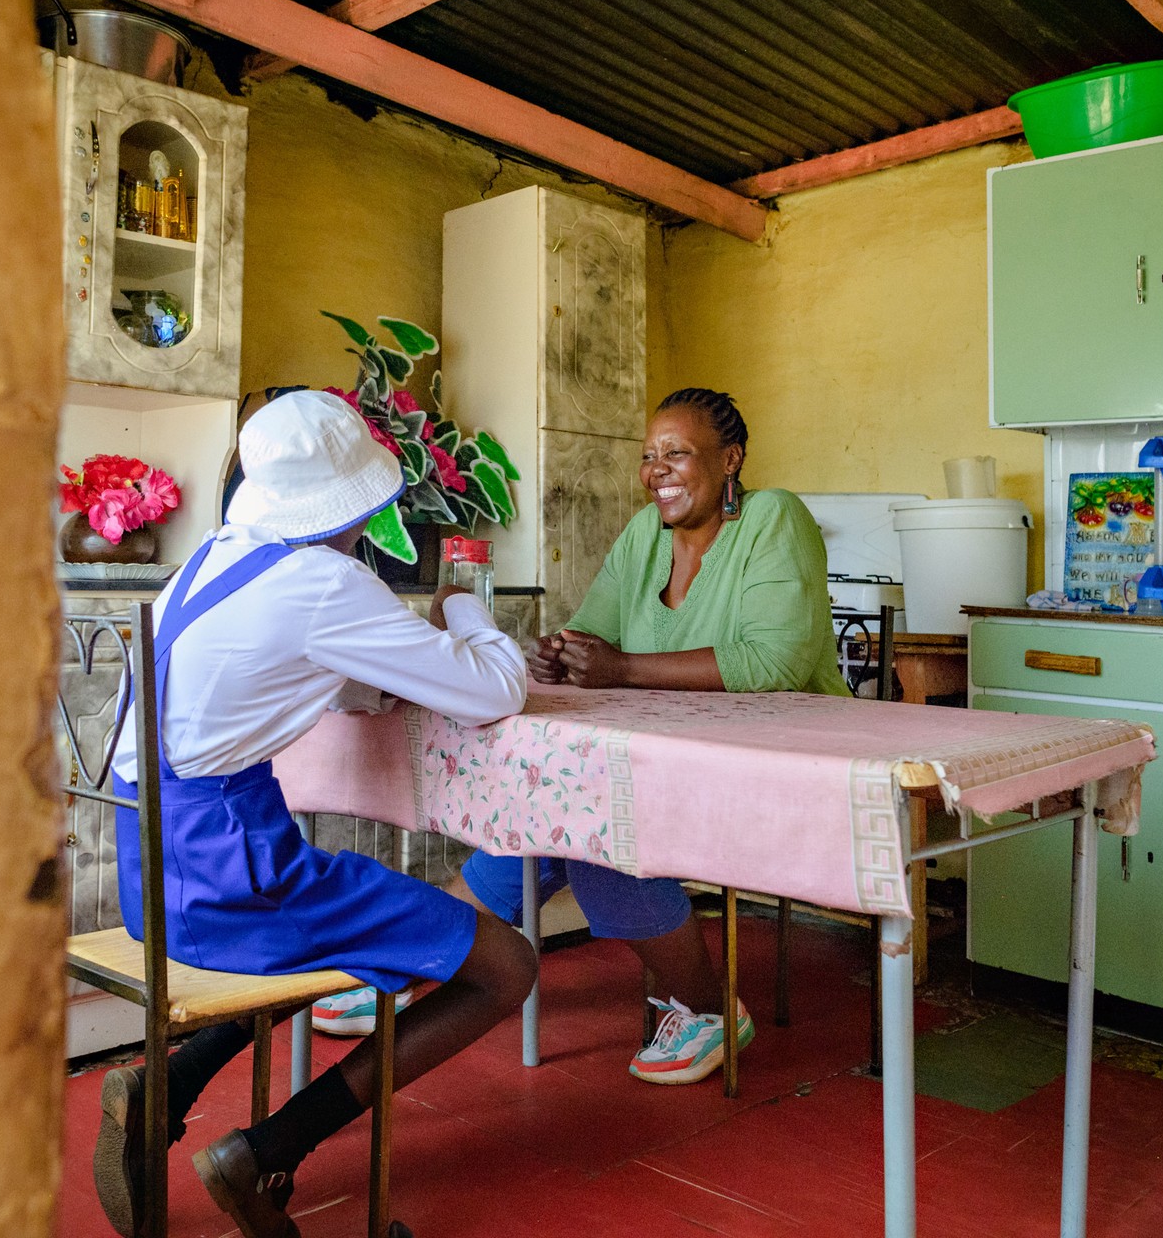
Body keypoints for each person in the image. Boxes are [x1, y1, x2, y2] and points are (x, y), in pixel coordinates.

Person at [97, 391, 537, 1238]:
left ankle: (173, 1085)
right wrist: (461, 604)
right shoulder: (320, 583)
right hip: (235, 880)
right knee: (505, 965)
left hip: (154, 868)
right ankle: (266, 1151)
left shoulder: (210, 561)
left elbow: (327, 679)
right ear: (353, 506)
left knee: (357, 934)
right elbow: (495, 690)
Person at [318, 388, 845, 1086]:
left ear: (731, 461)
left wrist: (620, 667)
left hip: (787, 756)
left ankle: (706, 1005)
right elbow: (596, 633)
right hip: (672, 750)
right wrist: (564, 652)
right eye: (648, 456)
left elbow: (773, 663)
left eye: (677, 454)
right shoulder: (642, 536)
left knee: (589, 812)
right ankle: (409, 962)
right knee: (548, 805)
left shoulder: (775, 518)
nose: (657, 470)